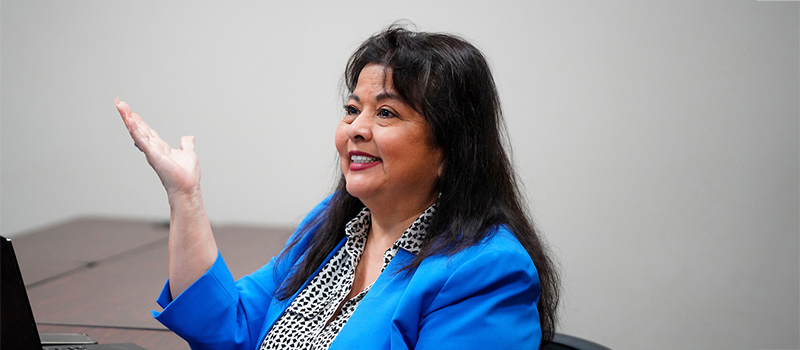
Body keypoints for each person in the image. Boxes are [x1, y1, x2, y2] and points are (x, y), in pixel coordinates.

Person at [115, 25, 559, 350]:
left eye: (386, 114)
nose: (356, 130)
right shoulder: (334, 224)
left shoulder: (486, 269)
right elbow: (229, 325)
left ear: (449, 150)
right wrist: (185, 196)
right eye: (352, 109)